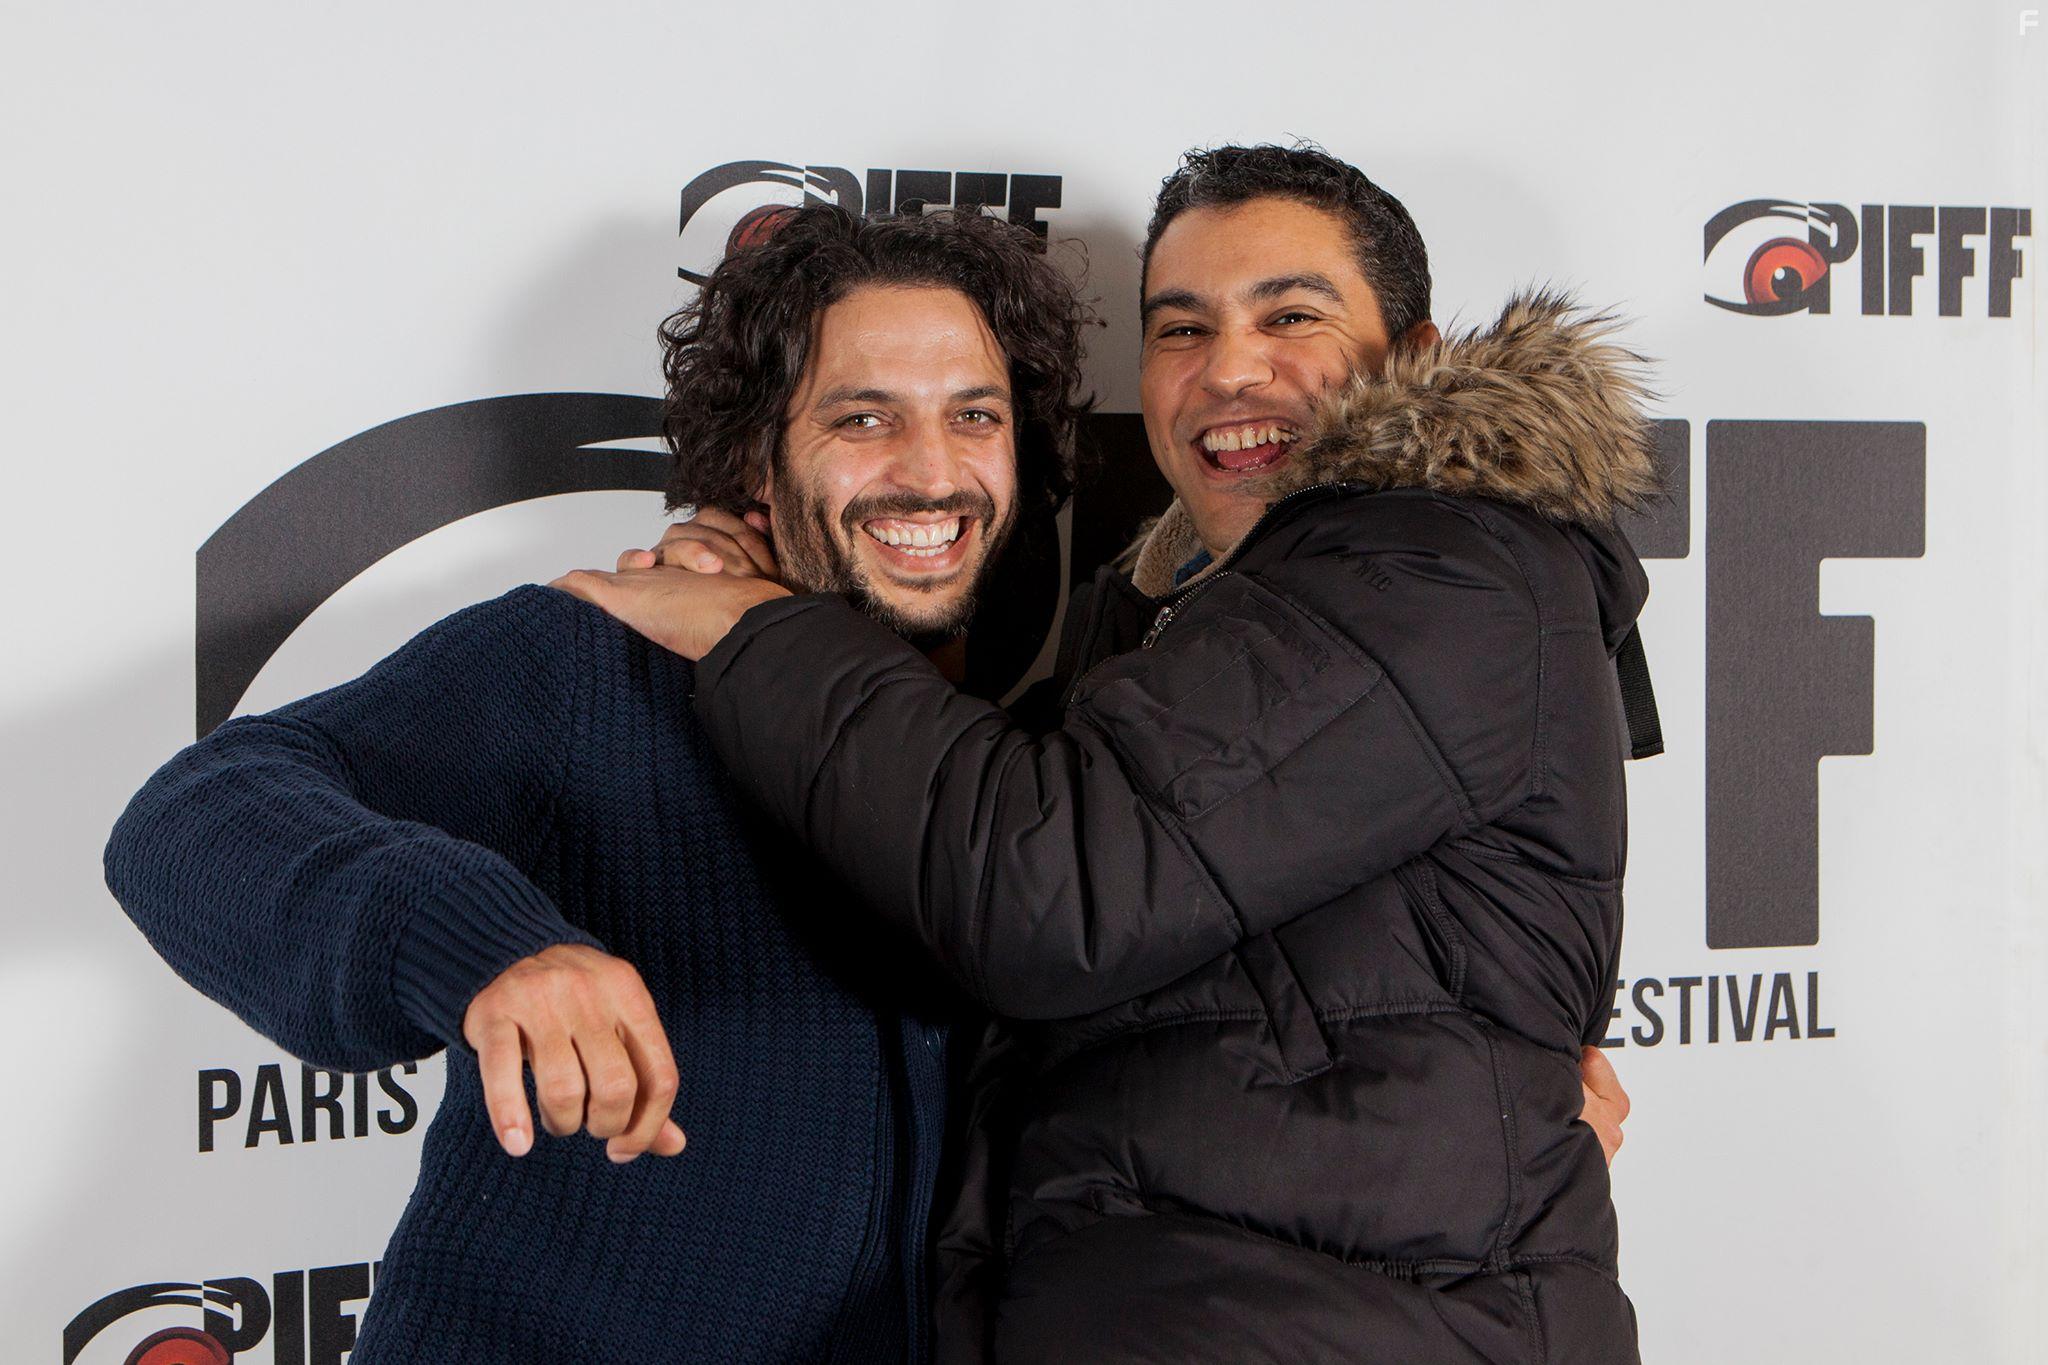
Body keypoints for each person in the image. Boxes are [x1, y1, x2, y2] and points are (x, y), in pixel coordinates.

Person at [561, 143, 1659, 1362]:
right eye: (1181, 329)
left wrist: (759, 630)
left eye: (1289, 316)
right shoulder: (1164, 613)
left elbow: (1046, 889)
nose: (1228, 369)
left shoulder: (1439, 567)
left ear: (1409, 353)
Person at [101, 204, 1094, 1363]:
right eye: (861, 417)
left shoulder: (1015, 765)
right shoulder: (597, 662)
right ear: (755, 461)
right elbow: (190, 818)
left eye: (972, 416)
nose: (929, 473)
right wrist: (484, 947)